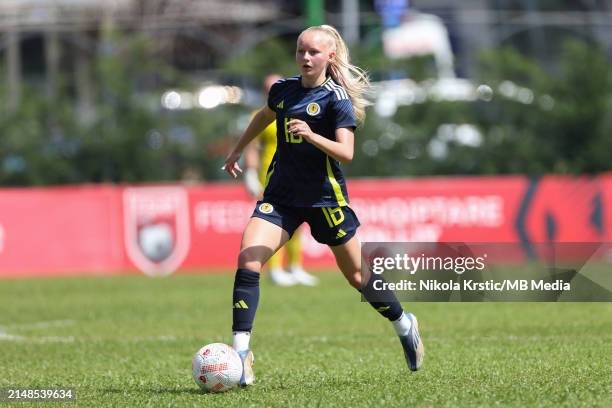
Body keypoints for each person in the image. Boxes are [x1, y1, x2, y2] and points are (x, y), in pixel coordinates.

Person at [222, 24, 424, 386]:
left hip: (325, 199)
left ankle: (403, 322)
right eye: (300, 51)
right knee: (248, 257)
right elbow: (262, 116)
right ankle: (240, 354)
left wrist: (312, 135)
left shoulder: (335, 99)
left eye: (313, 52)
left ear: (329, 56)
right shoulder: (283, 90)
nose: (304, 57)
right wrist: (238, 148)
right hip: (281, 197)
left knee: (358, 277)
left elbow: (346, 153)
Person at [242, 73, 319, 287]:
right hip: (270, 175)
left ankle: (295, 266)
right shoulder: (260, 115)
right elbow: (252, 147)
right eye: (268, 87)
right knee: (274, 223)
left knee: (298, 222)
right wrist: (249, 174)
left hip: (295, 174)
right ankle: (275, 269)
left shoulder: (294, 111)